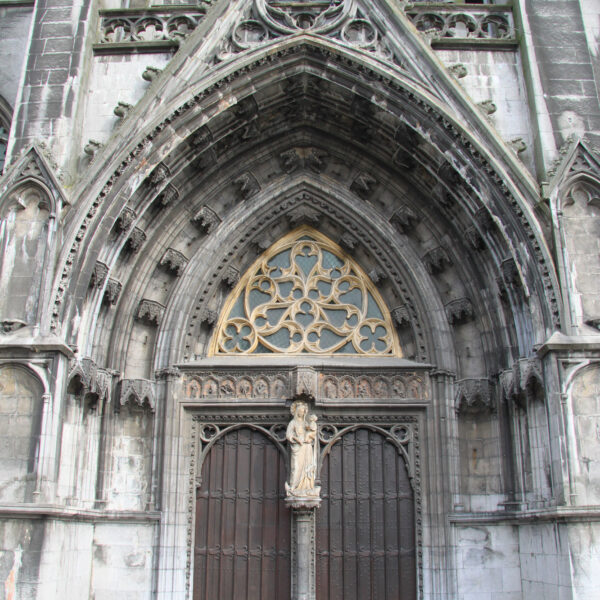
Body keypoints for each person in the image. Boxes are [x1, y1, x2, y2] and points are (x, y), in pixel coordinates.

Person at [285, 401, 318, 496]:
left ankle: (307, 486)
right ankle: (294, 486)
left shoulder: (305, 423)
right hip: (297, 447)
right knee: (296, 467)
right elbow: (288, 434)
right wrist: (296, 439)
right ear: (296, 411)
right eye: (300, 410)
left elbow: (312, 432)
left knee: (307, 466)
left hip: (306, 447)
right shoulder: (293, 422)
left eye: (303, 411)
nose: (301, 412)